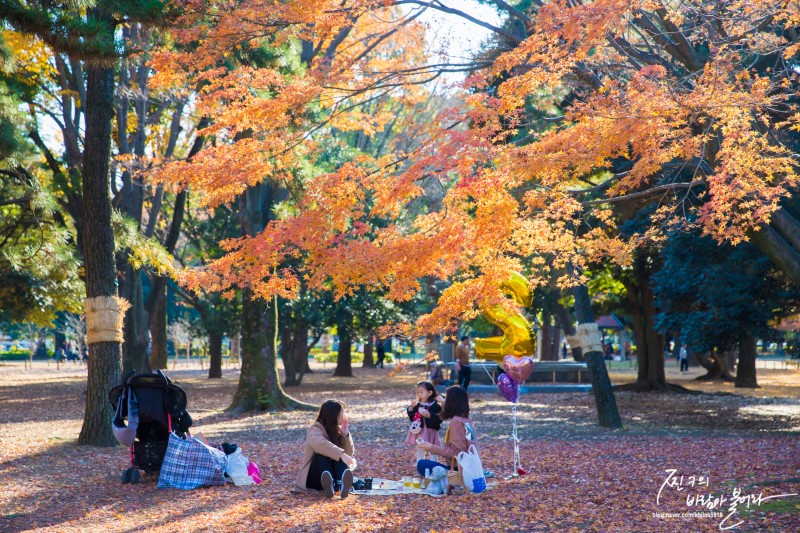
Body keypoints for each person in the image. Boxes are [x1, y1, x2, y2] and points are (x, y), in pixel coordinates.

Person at [295, 400, 356, 499]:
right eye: (342, 412)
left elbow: (348, 453)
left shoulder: (336, 430)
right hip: (314, 479)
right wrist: (341, 455)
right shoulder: (314, 429)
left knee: (338, 454)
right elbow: (320, 444)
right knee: (323, 453)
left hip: (334, 475)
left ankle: (340, 484)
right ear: (334, 414)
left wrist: (345, 435)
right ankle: (329, 483)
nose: (345, 415)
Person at [416, 385, 477, 477]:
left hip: (461, 470)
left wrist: (431, 448)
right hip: (472, 468)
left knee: (421, 464)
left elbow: (456, 452)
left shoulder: (456, 421)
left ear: (451, 402)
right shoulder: (466, 419)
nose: (443, 402)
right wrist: (442, 402)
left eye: (446, 399)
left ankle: (453, 477)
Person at [405, 380, 443, 460]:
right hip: (419, 432)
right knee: (420, 451)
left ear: (430, 393)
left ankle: (435, 468)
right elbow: (412, 418)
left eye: (421, 392)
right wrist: (411, 408)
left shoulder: (435, 405)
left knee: (432, 452)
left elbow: (439, 418)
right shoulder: (417, 405)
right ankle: (420, 467)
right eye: (418, 392)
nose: (419, 394)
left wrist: (429, 415)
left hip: (430, 432)